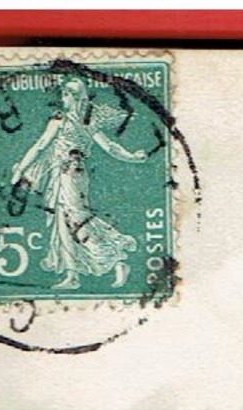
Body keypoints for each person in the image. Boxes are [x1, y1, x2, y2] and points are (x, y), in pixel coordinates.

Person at [9, 77, 146, 290]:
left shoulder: (69, 121)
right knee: (62, 223)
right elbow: (110, 147)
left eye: (65, 94)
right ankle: (72, 275)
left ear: (73, 97)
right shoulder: (79, 121)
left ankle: (115, 260)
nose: (62, 99)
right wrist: (132, 157)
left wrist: (21, 169)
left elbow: (40, 147)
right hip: (66, 176)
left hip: (69, 176)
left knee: (76, 220)